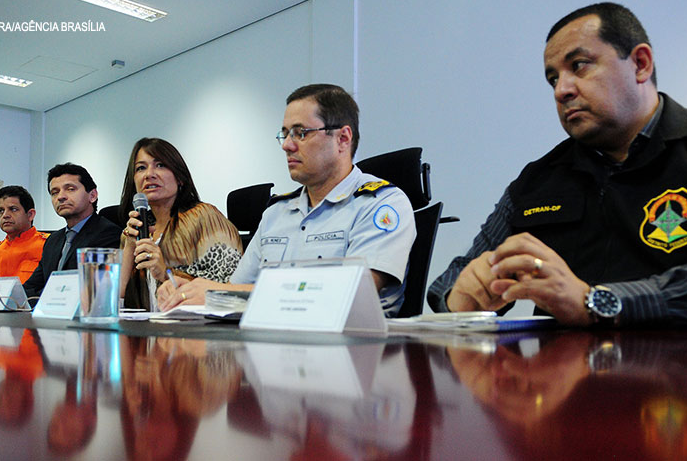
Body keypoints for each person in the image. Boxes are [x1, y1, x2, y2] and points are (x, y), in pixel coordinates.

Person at [428, 3, 687, 326]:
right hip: (563, 364)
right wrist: (462, 298)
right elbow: (452, 280)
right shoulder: (538, 180)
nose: (561, 90)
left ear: (640, 64)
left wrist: (597, 301)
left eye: (580, 65)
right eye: (553, 79)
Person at [157, 84, 416, 316]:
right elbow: (235, 288)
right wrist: (189, 289)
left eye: (301, 133)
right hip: (268, 344)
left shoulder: (380, 204)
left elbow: (351, 295)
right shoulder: (276, 214)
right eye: (285, 134)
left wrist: (219, 293)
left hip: (352, 347)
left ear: (342, 139)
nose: (287, 145)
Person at [118, 137, 243, 310]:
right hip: (147, 324)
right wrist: (129, 247)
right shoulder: (135, 229)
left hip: (196, 324)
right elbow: (115, 299)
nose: (149, 174)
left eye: (160, 165)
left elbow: (229, 288)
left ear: (180, 178)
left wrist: (166, 273)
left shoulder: (204, 217)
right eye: (141, 168)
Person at [23, 163, 121, 299]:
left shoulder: (109, 234)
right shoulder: (53, 240)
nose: (60, 197)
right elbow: (30, 287)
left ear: (92, 195)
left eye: (70, 189)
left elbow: (90, 290)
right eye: (54, 192)